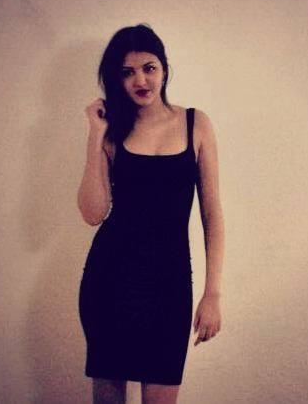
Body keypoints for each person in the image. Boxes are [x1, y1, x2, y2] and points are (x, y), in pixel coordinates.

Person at [77, 24, 224, 404]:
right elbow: (93, 213)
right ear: (116, 78)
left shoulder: (196, 123)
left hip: (170, 285)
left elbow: (212, 215)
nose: (140, 80)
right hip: (109, 281)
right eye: (127, 72)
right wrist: (95, 135)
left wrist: (212, 293)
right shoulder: (112, 131)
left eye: (149, 67)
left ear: (164, 68)